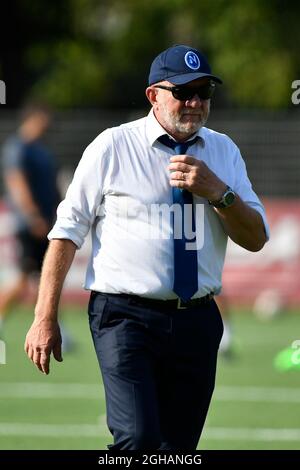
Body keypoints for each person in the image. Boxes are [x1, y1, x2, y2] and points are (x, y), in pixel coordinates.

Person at [24, 45, 269, 450]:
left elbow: (256, 238)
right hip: (125, 316)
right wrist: (44, 316)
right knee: (137, 441)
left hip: (197, 320)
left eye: (204, 92)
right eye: (183, 92)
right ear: (153, 94)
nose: (194, 102)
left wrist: (218, 193)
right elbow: (67, 232)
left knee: (177, 449)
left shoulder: (224, 151)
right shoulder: (112, 147)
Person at [0, 103, 74, 351]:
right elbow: (17, 182)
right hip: (31, 224)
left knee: (49, 277)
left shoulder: (41, 150)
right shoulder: (18, 148)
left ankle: (57, 327)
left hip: (47, 223)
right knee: (24, 279)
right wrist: (32, 216)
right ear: (33, 118)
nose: (48, 124)